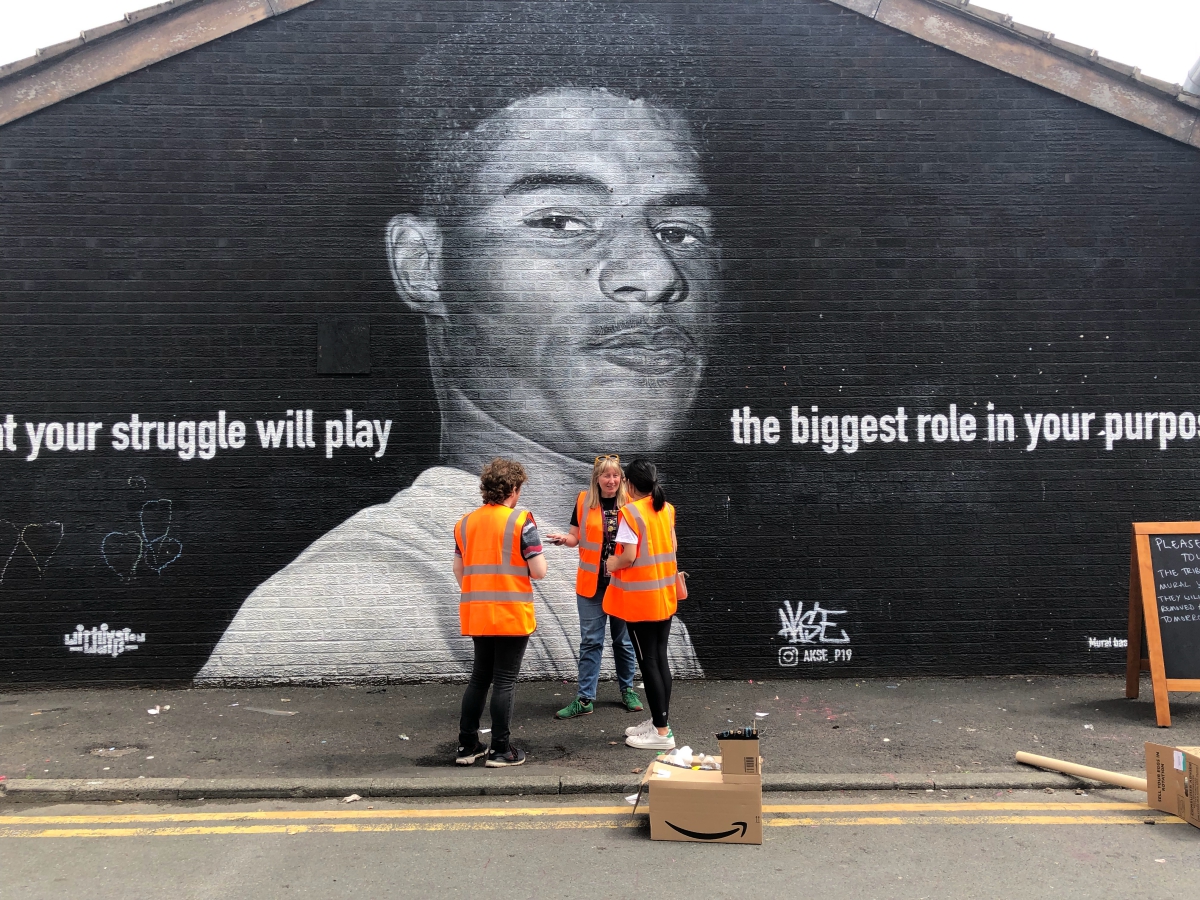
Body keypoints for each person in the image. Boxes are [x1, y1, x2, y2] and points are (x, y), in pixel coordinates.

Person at [195, 7, 717, 685]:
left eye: (681, 231)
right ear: (423, 266)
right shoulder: (367, 609)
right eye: (561, 221)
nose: (655, 273)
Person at [454, 458, 546, 768]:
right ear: (514, 489)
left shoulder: (465, 523)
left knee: (479, 677)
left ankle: (467, 746)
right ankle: (500, 750)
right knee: (504, 681)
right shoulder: (521, 522)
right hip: (510, 612)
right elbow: (540, 570)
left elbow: (459, 569)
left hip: (477, 612)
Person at [546, 455, 643, 718]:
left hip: (622, 583)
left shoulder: (632, 504)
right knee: (591, 642)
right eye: (606, 476)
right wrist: (563, 539)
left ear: (621, 479)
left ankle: (628, 690)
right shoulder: (583, 501)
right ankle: (585, 698)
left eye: (615, 476)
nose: (611, 481)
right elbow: (575, 538)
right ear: (596, 479)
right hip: (592, 585)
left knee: (623, 642)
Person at [605, 459, 681, 751]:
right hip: (663, 594)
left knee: (648, 662)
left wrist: (613, 563)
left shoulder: (630, 513)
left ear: (630, 484)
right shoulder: (666, 509)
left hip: (640, 601)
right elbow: (672, 547)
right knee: (660, 659)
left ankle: (661, 732)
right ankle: (659, 721)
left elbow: (629, 556)